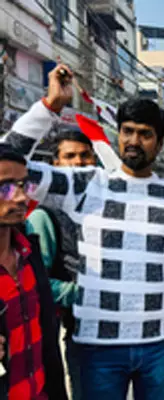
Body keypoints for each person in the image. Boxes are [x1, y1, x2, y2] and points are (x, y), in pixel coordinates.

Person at [2, 64, 164, 400]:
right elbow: (7, 159)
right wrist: (50, 106)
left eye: (144, 134)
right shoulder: (88, 184)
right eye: (127, 131)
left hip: (160, 346)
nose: (133, 141)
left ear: (158, 142)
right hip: (96, 347)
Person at [24, 129, 97, 400]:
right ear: (55, 164)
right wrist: (84, 293)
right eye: (70, 156)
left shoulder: (103, 206)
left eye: (85, 156)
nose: (78, 163)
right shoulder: (44, 214)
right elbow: (37, 280)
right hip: (65, 327)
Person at [0, 144, 68, 400]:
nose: (19, 197)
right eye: (5, 187)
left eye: (23, 185)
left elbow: (48, 346)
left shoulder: (29, 255)